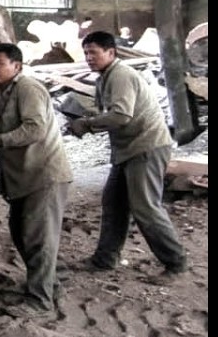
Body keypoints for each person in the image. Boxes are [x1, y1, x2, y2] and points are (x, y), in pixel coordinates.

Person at [67, 31, 188, 280]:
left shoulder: (120, 75)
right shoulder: (105, 78)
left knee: (145, 208)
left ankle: (175, 263)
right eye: (86, 52)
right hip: (128, 149)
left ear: (111, 53)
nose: (89, 57)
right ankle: (105, 259)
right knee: (114, 203)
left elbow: (122, 116)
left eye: (94, 52)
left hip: (146, 147)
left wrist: (87, 124)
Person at [0, 43, 74, 318]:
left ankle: (40, 301)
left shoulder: (28, 89)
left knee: (37, 237)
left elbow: (35, 128)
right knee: (21, 233)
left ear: (16, 66)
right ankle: (47, 284)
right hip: (21, 178)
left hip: (44, 175)